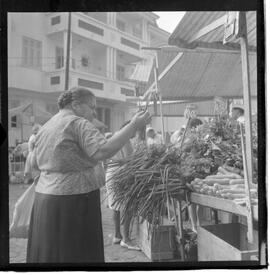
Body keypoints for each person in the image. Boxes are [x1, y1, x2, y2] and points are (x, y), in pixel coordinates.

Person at [26, 87, 151, 263]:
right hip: (73, 198)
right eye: (91, 107)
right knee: (76, 253)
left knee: (50, 253)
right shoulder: (77, 123)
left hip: (45, 197)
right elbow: (103, 150)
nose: (94, 112)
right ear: (76, 105)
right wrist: (133, 125)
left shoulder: (47, 125)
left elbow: (33, 163)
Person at [105, 123, 140, 251]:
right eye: (134, 131)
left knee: (116, 204)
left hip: (111, 172)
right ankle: (126, 239)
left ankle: (117, 235)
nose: (134, 135)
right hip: (121, 174)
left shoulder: (114, 137)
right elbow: (131, 160)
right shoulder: (124, 139)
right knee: (127, 205)